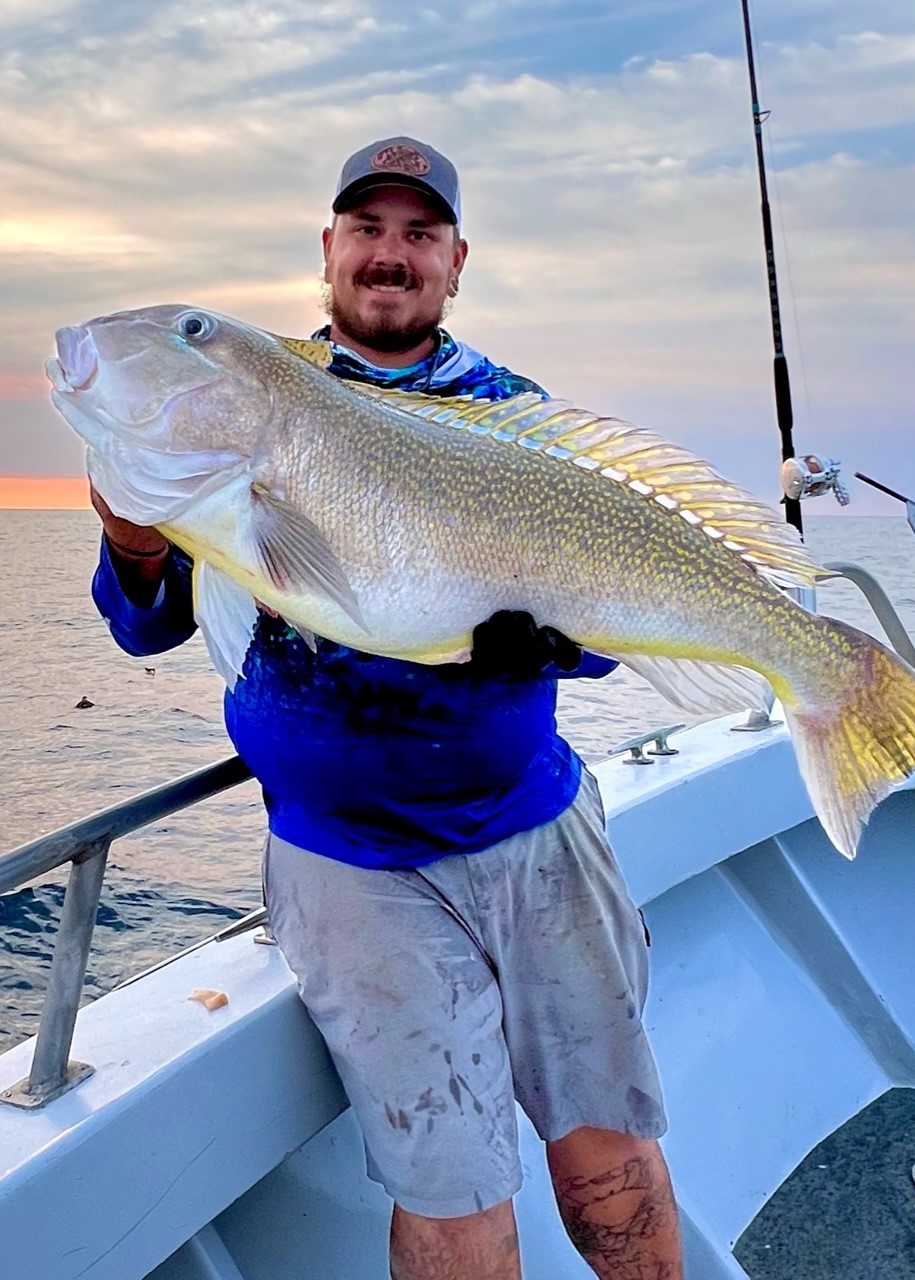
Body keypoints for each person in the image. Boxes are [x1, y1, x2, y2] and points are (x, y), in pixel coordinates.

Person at [91, 136, 684, 1280]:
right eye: (368, 228)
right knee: (452, 1195)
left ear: (456, 261)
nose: (390, 255)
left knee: (609, 1159)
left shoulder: (512, 414)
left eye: (419, 233)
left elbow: (607, 632)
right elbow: (150, 625)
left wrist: (560, 640)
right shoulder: (246, 401)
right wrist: (130, 539)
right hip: (351, 869)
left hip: (536, 833)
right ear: (329, 250)